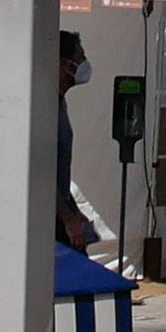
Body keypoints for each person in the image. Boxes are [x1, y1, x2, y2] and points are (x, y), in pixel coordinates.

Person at [56, 30, 99, 251]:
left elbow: (58, 175)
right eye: (80, 57)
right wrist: (68, 218)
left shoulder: (59, 102)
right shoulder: (43, 107)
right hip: (48, 219)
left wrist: (73, 211)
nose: (84, 63)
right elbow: (39, 174)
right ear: (63, 63)